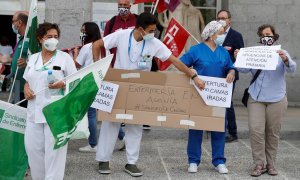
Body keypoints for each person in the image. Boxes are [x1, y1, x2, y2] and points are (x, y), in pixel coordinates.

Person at [92, 12, 204, 177]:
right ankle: (103, 160)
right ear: (140, 29)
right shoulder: (121, 35)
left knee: (135, 126)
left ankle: (131, 163)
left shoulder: (154, 43)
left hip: (140, 88)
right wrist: (99, 70)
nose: (153, 33)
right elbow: (96, 45)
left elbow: (174, 60)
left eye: (154, 30)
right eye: (150, 30)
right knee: (110, 123)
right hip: (118, 84)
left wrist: (193, 75)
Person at [234, 24, 296, 177]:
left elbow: (292, 69)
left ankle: (271, 163)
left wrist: (286, 59)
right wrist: (238, 57)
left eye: (268, 34)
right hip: (256, 98)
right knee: (256, 130)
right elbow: (242, 69)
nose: (265, 36)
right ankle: (259, 163)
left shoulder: (281, 52)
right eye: (262, 35)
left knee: (272, 132)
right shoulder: (255, 52)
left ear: (274, 36)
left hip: (276, 99)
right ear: (260, 38)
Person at [180, 20, 236, 174]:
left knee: (218, 128)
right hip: (199, 95)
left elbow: (230, 67)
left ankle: (219, 161)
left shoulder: (223, 52)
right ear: (211, 35)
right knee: (196, 128)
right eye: (220, 33)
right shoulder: (195, 50)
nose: (223, 35)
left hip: (218, 96)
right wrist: (194, 76)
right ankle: (193, 160)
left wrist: (231, 73)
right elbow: (182, 65)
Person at [23, 22, 77, 180]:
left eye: (55, 37)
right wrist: (26, 89)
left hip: (56, 113)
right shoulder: (32, 59)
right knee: (34, 153)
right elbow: (27, 80)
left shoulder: (65, 58)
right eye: (49, 37)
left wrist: (63, 83)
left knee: (55, 157)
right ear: (40, 39)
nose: (53, 40)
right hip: (34, 114)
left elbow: (76, 81)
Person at [73, 22, 106, 153]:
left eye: (83, 31)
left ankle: (93, 144)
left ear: (88, 32)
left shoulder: (87, 47)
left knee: (91, 114)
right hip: (103, 81)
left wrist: (75, 53)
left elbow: (77, 64)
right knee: (106, 112)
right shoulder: (104, 45)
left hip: (90, 82)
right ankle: (122, 136)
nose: (81, 33)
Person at [217, 9, 244, 143]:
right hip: (215, 74)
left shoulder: (236, 36)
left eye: (223, 18)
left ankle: (232, 132)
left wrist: (232, 69)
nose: (221, 20)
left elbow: (241, 57)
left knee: (227, 103)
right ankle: (215, 127)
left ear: (229, 20)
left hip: (230, 75)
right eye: (219, 18)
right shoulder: (214, 34)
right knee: (215, 101)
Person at [10, 11, 29, 107]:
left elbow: (40, 58)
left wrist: (27, 62)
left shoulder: (31, 39)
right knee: (16, 110)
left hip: (25, 86)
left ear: (20, 22)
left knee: (22, 112)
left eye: (13, 21)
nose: (12, 24)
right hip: (17, 84)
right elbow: (14, 58)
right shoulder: (21, 39)